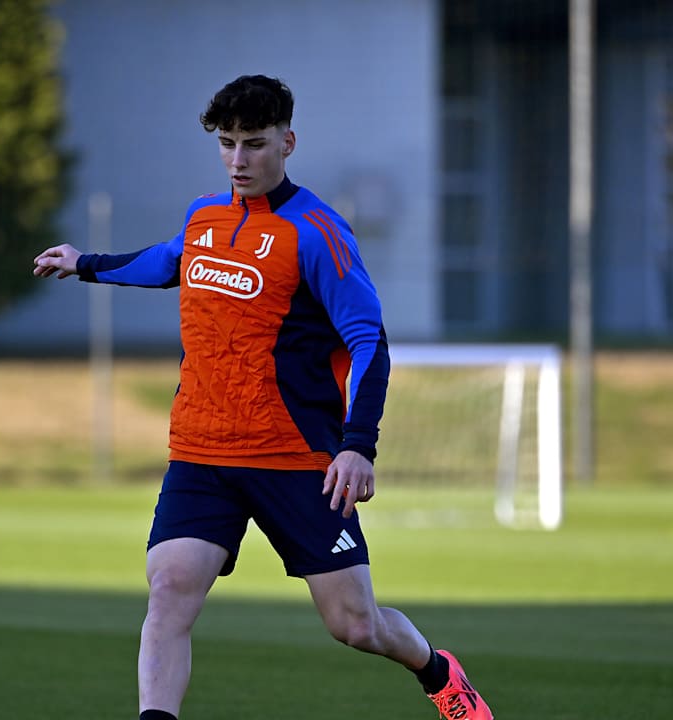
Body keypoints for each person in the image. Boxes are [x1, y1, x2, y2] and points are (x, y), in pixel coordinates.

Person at [33, 74, 493, 720]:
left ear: (287, 141)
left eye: (254, 143)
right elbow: (167, 262)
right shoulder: (204, 217)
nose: (238, 160)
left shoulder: (317, 231)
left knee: (355, 625)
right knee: (168, 591)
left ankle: (439, 672)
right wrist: (86, 262)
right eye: (226, 144)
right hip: (203, 452)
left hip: (296, 459)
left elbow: (369, 342)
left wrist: (358, 445)